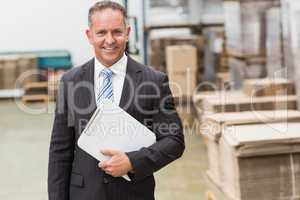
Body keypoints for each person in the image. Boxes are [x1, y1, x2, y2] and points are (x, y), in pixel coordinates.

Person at [48, 1, 185, 200]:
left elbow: (174, 141)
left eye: (117, 32)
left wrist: (132, 162)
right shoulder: (71, 81)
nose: (110, 40)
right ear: (89, 35)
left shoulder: (153, 80)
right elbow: (60, 151)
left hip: (133, 194)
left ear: (128, 33)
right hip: (84, 194)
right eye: (101, 32)